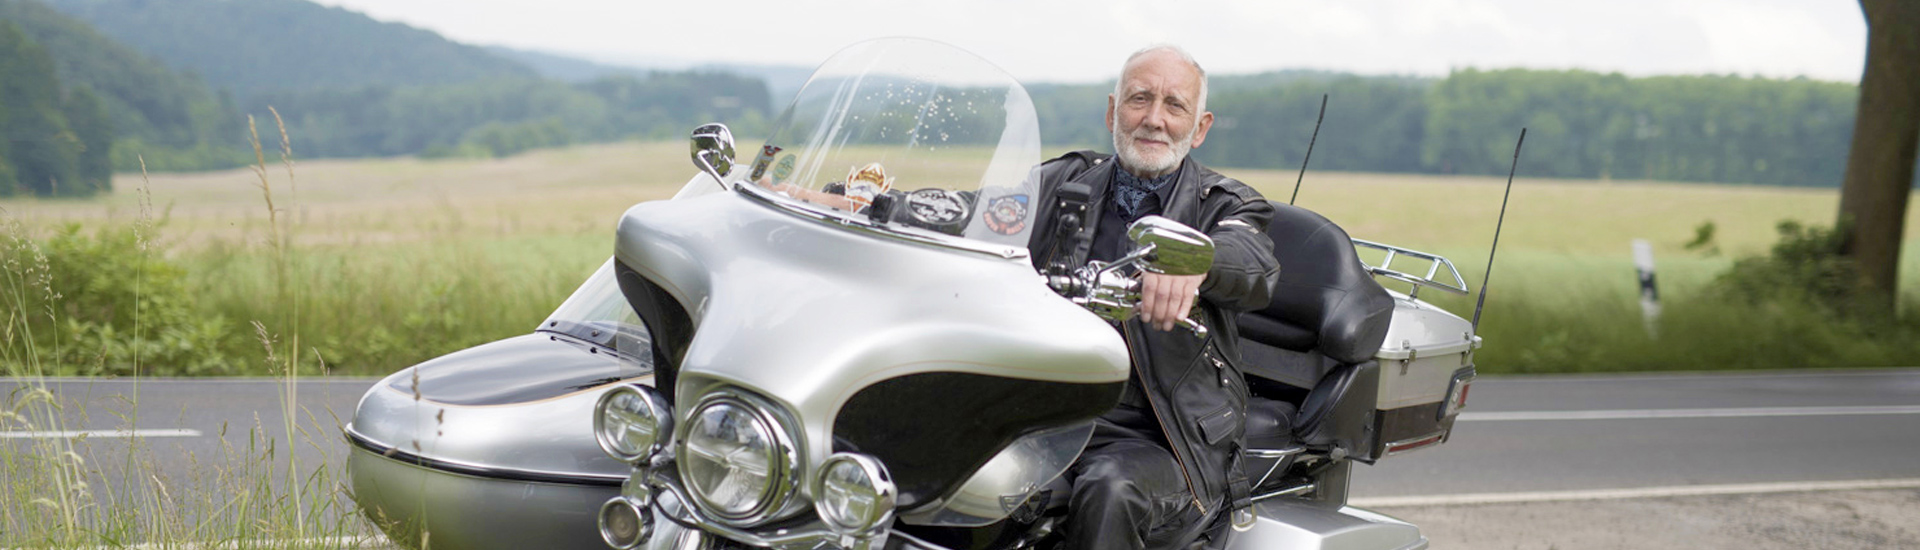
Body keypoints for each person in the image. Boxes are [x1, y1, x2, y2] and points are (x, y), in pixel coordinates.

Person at [1024, 45, 1281, 550]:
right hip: (1048, 416)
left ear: (1200, 127)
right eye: (1140, 99)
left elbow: (1253, 262)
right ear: (1112, 112)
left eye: (1174, 105)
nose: (1155, 119)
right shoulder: (1065, 182)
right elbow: (981, 213)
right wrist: (874, 201)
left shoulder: (1224, 204)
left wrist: (1197, 260)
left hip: (1165, 439)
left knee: (1110, 488)